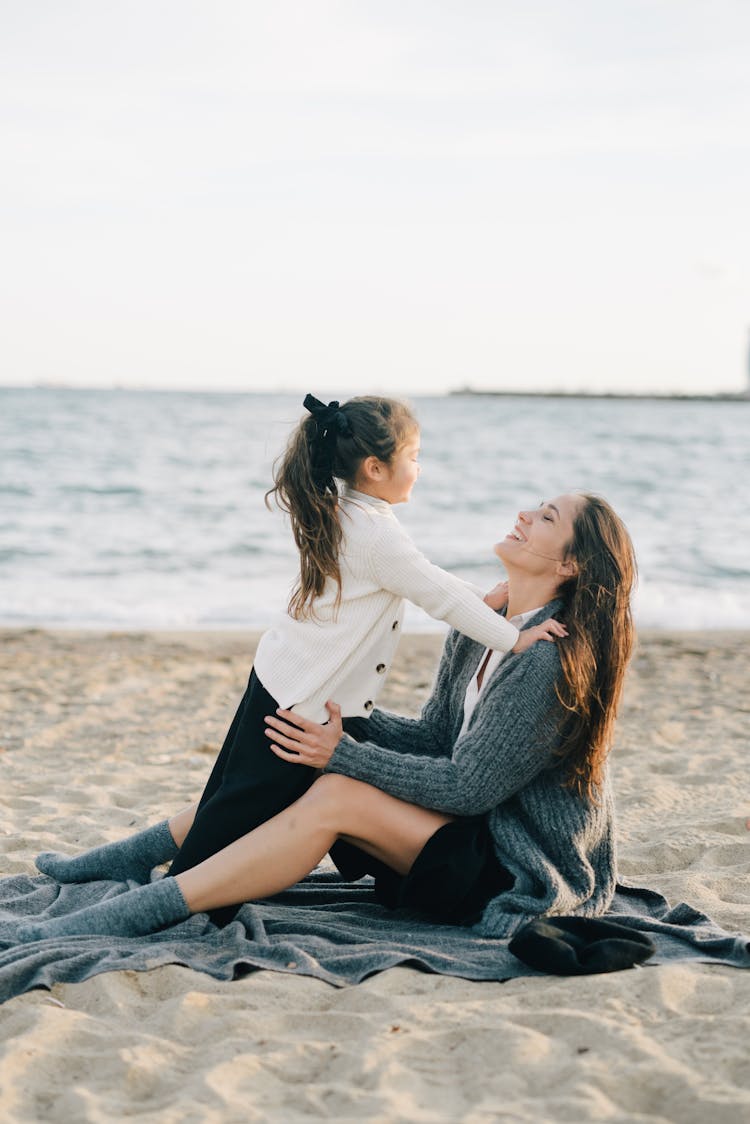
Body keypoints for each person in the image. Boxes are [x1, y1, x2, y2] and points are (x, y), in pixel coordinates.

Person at [19, 491, 636, 943]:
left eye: (548, 518)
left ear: (570, 566)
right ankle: (139, 853)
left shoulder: (548, 659)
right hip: (467, 834)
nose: (526, 513)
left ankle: (150, 907)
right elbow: (437, 738)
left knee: (336, 786)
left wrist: (341, 752)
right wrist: (344, 723)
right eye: (536, 507)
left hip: (514, 867)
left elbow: (468, 787)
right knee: (308, 730)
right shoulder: (489, 627)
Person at [34, 394, 564, 903]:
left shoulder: (350, 514)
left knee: (230, 798)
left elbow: (427, 581)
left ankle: (126, 862)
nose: (420, 468)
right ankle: (185, 896)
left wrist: (483, 598)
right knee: (239, 811)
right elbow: (433, 591)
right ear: (376, 468)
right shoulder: (377, 535)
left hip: (279, 677)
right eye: (414, 458)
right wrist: (512, 637)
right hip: (300, 698)